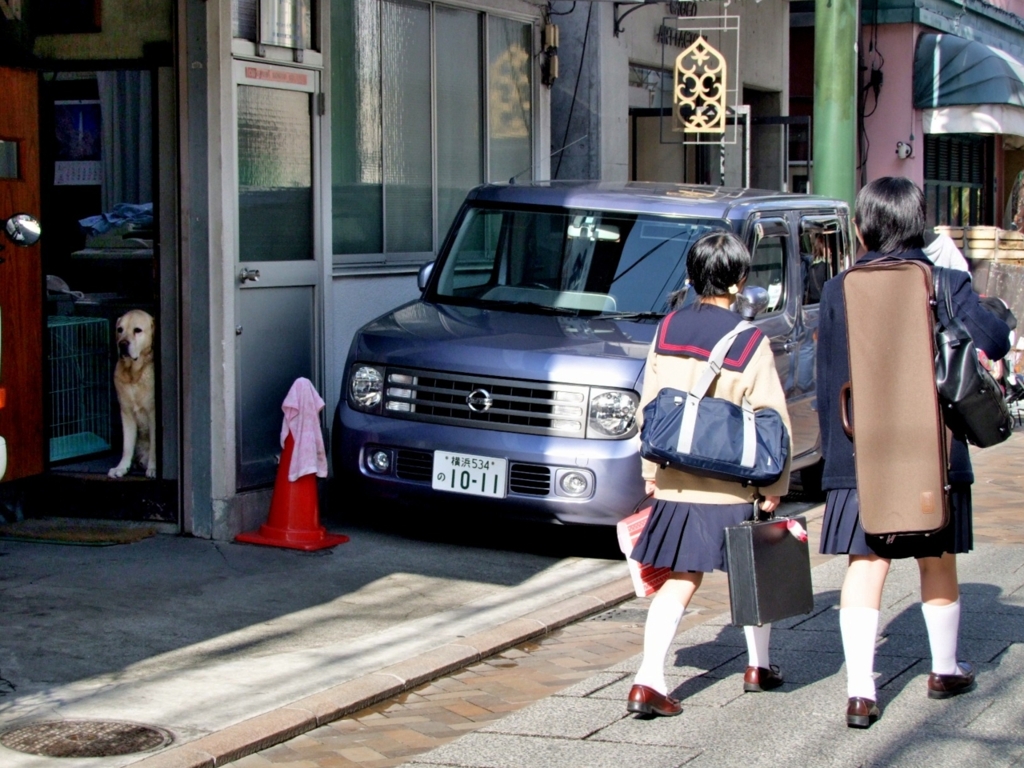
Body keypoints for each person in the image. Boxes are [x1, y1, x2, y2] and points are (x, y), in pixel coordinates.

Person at [815, 177, 1011, 729]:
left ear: (864, 226)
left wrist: (834, 458)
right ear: (919, 225)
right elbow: (994, 340)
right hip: (934, 450)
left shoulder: (838, 289)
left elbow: (831, 374)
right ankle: (944, 668)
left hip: (859, 451)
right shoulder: (946, 281)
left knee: (865, 563)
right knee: (936, 557)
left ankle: (859, 691)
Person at [627, 232, 793, 718]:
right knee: (755, 570)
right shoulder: (749, 339)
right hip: (733, 479)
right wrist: (775, 486)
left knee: (679, 580)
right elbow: (770, 419)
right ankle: (758, 666)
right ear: (740, 281)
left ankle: (648, 678)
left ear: (693, 275)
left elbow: (651, 408)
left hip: (677, 477)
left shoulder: (668, 328)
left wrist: (651, 472)